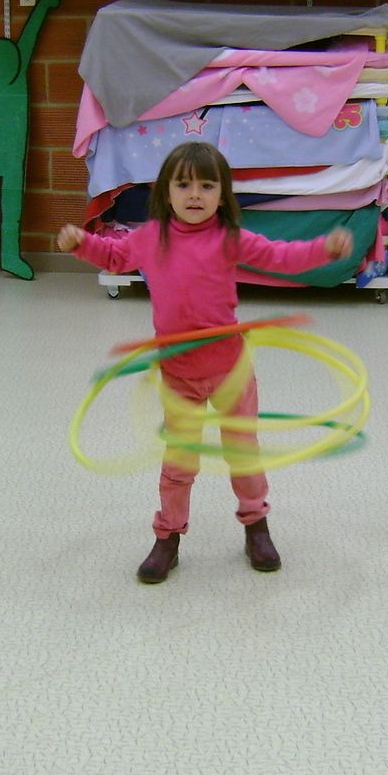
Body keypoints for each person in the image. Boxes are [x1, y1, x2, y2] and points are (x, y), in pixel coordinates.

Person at [58, 141, 353, 584]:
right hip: (179, 375)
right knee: (179, 463)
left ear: (222, 194)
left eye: (207, 186)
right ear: (166, 192)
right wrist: (82, 243)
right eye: (183, 185)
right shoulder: (150, 238)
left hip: (229, 371)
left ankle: (256, 525)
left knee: (242, 454)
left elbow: (281, 257)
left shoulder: (229, 238)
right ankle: (168, 536)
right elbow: (115, 257)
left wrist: (324, 250)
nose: (195, 194)